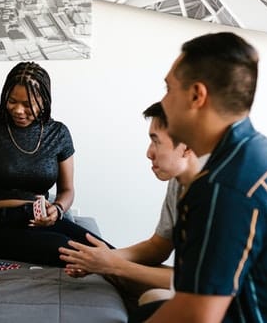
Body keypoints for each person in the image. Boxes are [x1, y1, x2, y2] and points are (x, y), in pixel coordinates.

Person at [145, 32, 267, 322]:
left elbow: (196, 316)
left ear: (197, 95)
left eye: (168, 89)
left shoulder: (224, 187)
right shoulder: (262, 155)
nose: (164, 102)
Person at [0, 61, 112, 267]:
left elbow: (67, 190)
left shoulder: (58, 133)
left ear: (44, 102)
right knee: (70, 249)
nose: (19, 110)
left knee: (107, 252)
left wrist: (57, 210)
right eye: (12, 101)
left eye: (28, 104)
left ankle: (155, 287)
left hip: (41, 219)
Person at [59, 102, 199, 312]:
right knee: (114, 275)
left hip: (221, 298)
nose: (148, 153)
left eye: (156, 142)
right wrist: (103, 258)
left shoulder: (217, 194)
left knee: (152, 296)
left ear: (186, 146)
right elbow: (157, 247)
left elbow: (197, 281)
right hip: (193, 283)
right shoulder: (178, 182)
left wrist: (113, 264)